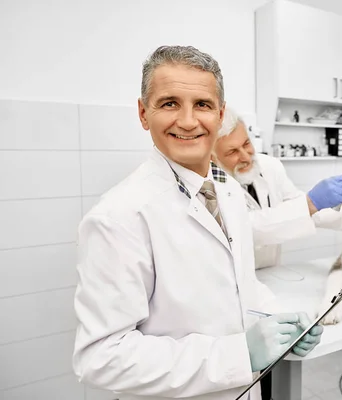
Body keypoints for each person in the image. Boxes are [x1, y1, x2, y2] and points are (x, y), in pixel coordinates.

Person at [71, 45, 323, 400]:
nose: (188, 121)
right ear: (144, 114)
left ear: (220, 115)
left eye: (202, 105)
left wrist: (284, 322)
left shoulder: (229, 194)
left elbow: (240, 287)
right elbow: (101, 357)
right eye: (169, 103)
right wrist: (239, 354)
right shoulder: (119, 216)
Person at [212, 107, 342, 270]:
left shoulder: (269, 166)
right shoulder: (209, 187)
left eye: (246, 143)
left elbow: (299, 205)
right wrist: (311, 202)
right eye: (232, 151)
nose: (246, 156)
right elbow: (248, 228)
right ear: (213, 158)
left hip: (271, 270)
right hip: (234, 278)